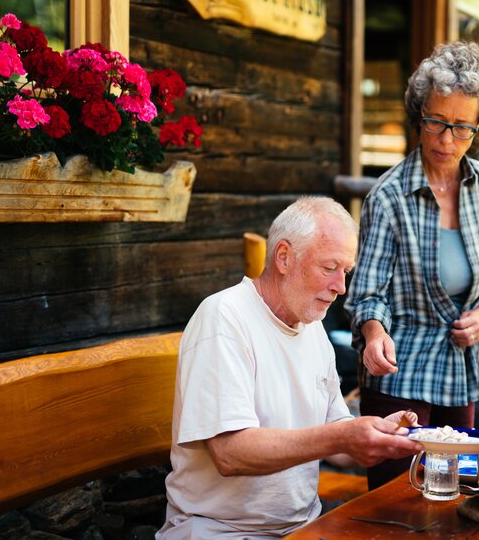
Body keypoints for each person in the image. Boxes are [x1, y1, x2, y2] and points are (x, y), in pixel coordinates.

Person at [156, 197, 422, 539]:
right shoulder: (224, 317)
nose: (341, 287)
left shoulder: (311, 326)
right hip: (222, 531)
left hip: (304, 527)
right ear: (283, 257)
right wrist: (342, 436)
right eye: (329, 268)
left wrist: (376, 436)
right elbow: (230, 453)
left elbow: (335, 434)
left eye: (346, 272)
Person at [344, 40, 479, 490]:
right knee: (393, 506)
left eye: (462, 128)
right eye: (436, 122)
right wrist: (374, 335)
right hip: (400, 377)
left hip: (459, 374)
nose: (445, 139)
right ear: (420, 113)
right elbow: (366, 292)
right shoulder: (388, 196)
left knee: (457, 498)